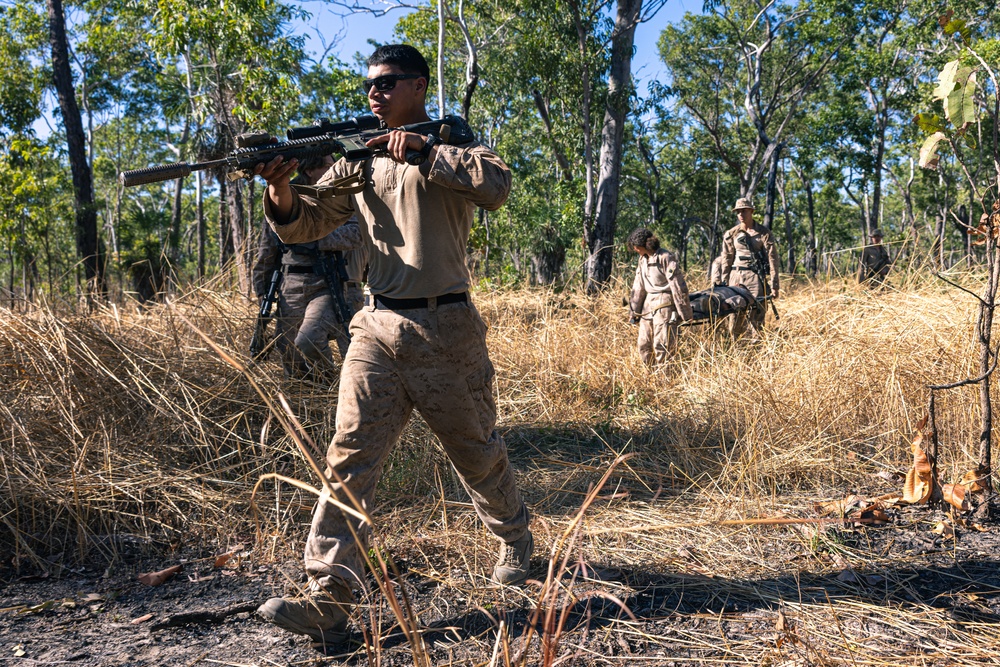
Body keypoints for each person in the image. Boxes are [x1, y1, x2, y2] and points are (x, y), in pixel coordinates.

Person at [253, 44, 532, 647]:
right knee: (349, 456)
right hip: (376, 328)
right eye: (370, 86)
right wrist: (280, 187)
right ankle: (329, 595)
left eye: (387, 83)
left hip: (446, 328)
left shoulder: (455, 145)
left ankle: (513, 536)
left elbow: (498, 186)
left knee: (476, 452)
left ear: (419, 86)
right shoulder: (360, 155)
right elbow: (307, 220)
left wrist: (426, 152)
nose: (375, 95)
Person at [251, 155, 361, 379]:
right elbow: (267, 250)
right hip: (290, 284)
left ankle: (330, 385)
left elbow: (356, 234)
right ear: (310, 170)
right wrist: (261, 290)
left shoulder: (341, 197)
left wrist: (306, 234)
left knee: (312, 338)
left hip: (330, 281)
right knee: (288, 349)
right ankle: (307, 394)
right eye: (328, 166)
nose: (335, 170)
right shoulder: (284, 198)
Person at [628, 228, 694, 365]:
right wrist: (634, 311)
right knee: (643, 344)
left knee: (662, 345)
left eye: (636, 246)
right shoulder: (642, 260)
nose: (634, 249)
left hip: (665, 306)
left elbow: (678, 286)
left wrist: (686, 313)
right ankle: (649, 378)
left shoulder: (665, 258)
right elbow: (638, 287)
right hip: (648, 306)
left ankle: (665, 379)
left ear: (642, 245)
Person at [720, 197, 780, 339]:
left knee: (757, 316)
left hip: (755, 277)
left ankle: (756, 349)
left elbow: (773, 259)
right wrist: (723, 283)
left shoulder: (764, 233)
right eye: (738, 212)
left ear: (751, 211)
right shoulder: (731, 234)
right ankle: (735, 349)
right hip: (736, 276)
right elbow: (726, 259)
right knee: (735, 316)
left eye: (744, 211)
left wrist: (775, 285)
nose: (741, 214)